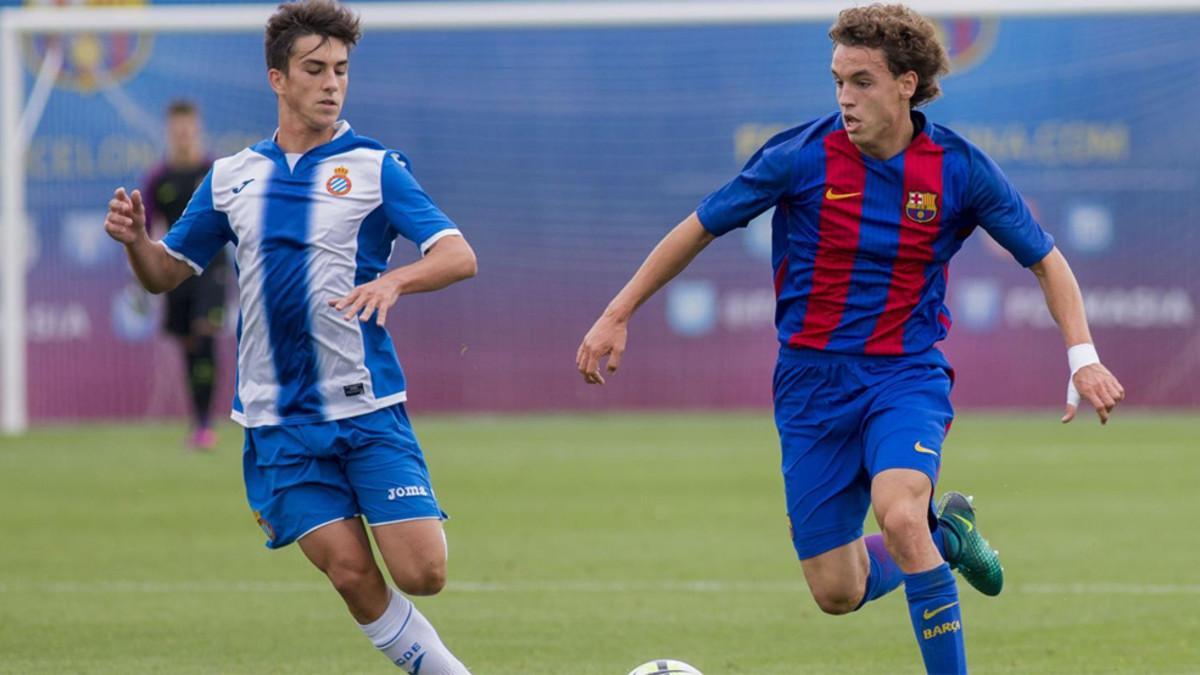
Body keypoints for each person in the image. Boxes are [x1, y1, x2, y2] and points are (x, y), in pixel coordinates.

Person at [576, 5, 1124, 673]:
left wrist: (1083, 355)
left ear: (906, 83)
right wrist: (618, 311)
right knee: (836, 591)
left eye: (861, 81)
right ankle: (948, 537)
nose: (844, 98)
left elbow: (1046, 259)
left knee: (898, 513)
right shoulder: (800, 156)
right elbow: (699, 226)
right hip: (809, 384)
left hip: (903, 377)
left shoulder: (960, 169)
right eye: (837, 79)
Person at [103, 1, 476, 671]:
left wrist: (396, 281)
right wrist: (137, 242)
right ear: (278, 78)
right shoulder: (231, 177)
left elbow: (457, 254)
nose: (331, 83)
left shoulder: (376, 166)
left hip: (366, 409)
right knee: (350, 575)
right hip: (278, 422)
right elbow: (164, 274)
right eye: (315, 69)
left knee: (423, 573)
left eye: (340, 69)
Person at [142, 100, 225, 450]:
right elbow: (143, 232)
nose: (183, 134)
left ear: (198, 129)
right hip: (177, 273)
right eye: (177, 129)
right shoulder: (158, 179)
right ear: (169, 132)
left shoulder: (216, 172)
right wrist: (140, 273)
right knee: (190, 346)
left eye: (188, 127)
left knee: (205, 336)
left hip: (213, 271)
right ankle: (198, 422)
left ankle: (206, 424)